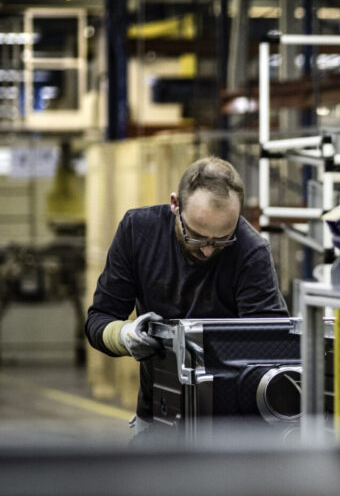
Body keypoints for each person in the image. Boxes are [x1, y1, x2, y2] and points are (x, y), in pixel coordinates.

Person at [85, 156, 288, 429]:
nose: (207, 250)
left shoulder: (250, 251)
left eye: (222, 240)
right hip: (159, 410)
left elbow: (271, 346)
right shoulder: (138, 232)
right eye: (197, 236)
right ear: (174, 205)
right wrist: (125, 335)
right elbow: (99, 319)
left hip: (231, 423)